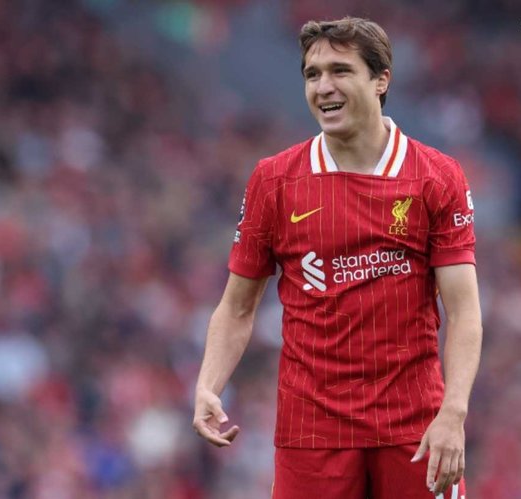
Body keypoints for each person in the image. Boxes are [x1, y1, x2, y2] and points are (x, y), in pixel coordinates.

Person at [193, 17, 482, 499]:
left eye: (340, 71)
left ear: (381, 79)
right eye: (312, 74)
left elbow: (464, 310)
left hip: (415, 425)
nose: (323, 86)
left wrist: (453, 412)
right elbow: (237, 307)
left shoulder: (436, 177)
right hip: (313, 430)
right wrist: (208, 384)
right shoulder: (275, 180)